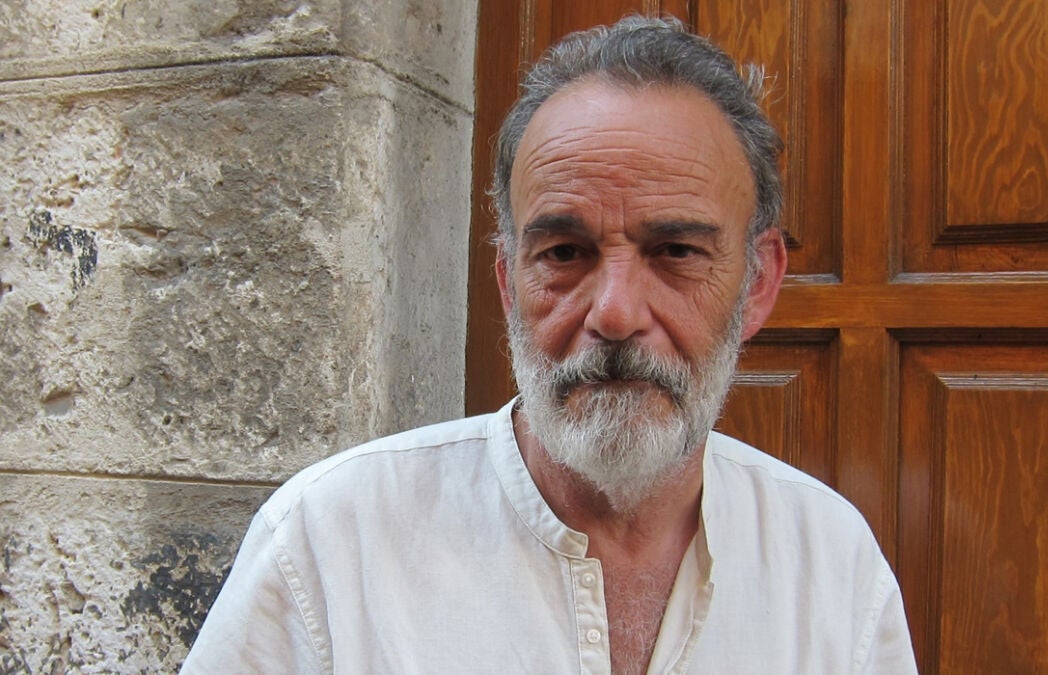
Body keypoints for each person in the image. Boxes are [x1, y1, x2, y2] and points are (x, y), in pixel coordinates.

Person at [182, 15, 918, 674]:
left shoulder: (832, 567)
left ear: (757, 283)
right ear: (509, 281)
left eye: (676, 252)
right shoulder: (329, 546)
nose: (616, 314)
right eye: (564, 253)